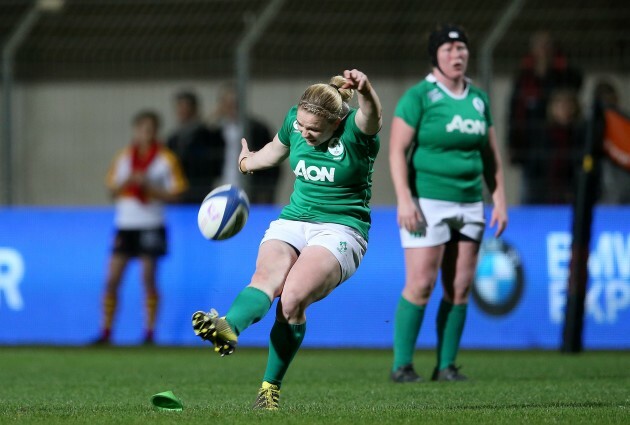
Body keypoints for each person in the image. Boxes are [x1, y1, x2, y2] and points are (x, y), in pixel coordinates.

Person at [191, 69, 382, 409]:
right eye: (302, 126)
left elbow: (372, 116)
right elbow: (276, 150)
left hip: (341, 229)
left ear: (337, 122)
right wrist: (248, 162)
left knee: (291, 300)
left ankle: (269, 388)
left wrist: (366, 90)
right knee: (266, 279)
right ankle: (227, 327)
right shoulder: (295, 121)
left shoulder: (356, 132)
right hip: (293, 220)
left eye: (315, 129)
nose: (305, 133)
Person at [388, 24, 508, 383]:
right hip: (427, 203)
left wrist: (499, 199)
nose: (456, 55)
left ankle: (446, 366)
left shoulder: (478, 99)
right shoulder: (420, 96)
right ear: (435, 56)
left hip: (470, 203)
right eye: (448, 49)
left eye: (461, 49)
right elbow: (396, 151)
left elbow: (490, 155)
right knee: (421, 283)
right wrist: (404, 200)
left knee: (459, 287)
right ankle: (402, 365)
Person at [94, 110, 188, 345]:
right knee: (112, 278)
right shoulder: (124, 157)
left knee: (148, 278)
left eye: (152, 129)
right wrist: (129, 181)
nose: (147, 133)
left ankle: (149, 332)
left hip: (151, 223)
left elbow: (177, 194)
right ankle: (106, 331)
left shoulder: (165, 159)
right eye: (143, 128)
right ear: (136, 130)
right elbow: (112, 191)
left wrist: (150, 187)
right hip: (126, 224)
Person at [507, 30, 582, 204]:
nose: (543, 50)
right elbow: (514, 112)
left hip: (560, 146)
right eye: (540, 46)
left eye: (547, 45)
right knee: (532, 191)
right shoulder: (524, 77)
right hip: (531, 145)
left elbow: (575, 84)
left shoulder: (563, 73)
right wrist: (512, 142)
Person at [210, 82, 279, 204]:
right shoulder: (215, 131)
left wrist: (265, 191)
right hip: (222, 184)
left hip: (250, 186)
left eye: (235, 104)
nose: (231, 108)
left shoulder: (258, 129)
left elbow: (273, 160)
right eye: (227, 104)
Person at [522, 88, 585, 204]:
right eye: (560, 105)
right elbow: (535, 166)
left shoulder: (580, 135)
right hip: (545, 194)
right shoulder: (542, 135)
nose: (564, 110)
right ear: (552, 108)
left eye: (568, 105)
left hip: (572, 194)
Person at [167, 90, 224, 203]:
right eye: (180, 107)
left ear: (194, 108)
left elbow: (215, 163)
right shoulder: (173, 138)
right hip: (178, 191)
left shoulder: (208, 135)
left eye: (186, 106)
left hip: (200, 190)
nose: (182, 111)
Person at [594, 80, 630, 204]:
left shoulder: (624, 119)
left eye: (610, 97)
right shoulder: (591, 121)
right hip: (601, 165)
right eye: (604, 98)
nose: (608, 102)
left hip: (622, 166)